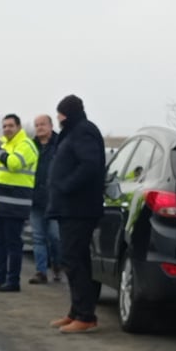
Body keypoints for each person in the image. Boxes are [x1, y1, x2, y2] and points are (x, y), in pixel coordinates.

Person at [46, 94, 107, 333]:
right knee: (76, 259)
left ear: (68, 114)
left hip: (79, 208)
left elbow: (89, 165)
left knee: (73, 260)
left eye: (60, 113)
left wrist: (65, 185)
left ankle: (85, 315)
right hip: (69, 208)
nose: (58, 118)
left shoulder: (83, 131)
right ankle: (76, 311)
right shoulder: (73, 132)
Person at [0, 114, 37, 292]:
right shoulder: (6, 145)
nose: (7, 129)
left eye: (10, 126)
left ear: (19, 127)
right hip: (0, 203)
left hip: (15, 204)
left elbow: (14, 164)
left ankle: (13, 281)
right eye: (4, 126)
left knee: (13, 244)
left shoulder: (26, 145)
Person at [29, 114, 61, 284]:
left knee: (55, 237)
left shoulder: (60, 144)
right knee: (38, 237)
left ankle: (57, 264)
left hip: (55, 200)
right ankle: (41, 271)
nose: (39, 127)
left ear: (50, 125)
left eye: (42, 124)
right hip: (35, 199)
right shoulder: (31, 146)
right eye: (36, 125)